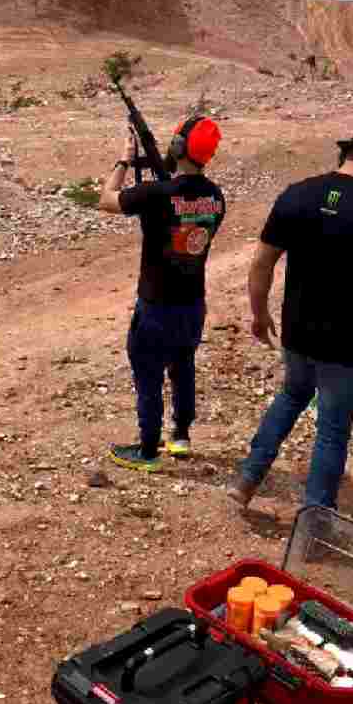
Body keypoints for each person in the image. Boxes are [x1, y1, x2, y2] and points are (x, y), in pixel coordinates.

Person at [229, 126, 353, 515]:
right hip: (347, 343)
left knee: (291, 395)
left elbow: (261, 262)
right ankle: (315, 521)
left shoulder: (298, 193)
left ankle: (247, 478)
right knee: (333, 431)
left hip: (299, 332)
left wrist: (259, 313)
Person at [98, 117, 226, 472]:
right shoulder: (216, 196)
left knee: (148, 374)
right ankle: (181, 436)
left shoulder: (159, 194)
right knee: (183, 367)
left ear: (179, 147)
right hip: (192, 304)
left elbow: (106, 200)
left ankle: (148, 450)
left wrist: (124, 160)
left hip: (156, 306)